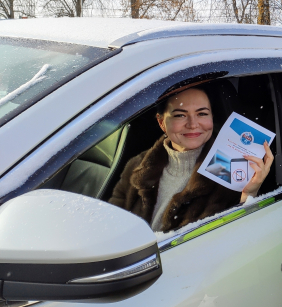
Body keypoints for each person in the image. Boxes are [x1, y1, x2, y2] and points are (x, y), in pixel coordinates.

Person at [110, 84, 273, 232]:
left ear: (212, 118)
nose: (193, 124)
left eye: (202, 114)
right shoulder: (137, 166)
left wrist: (248, 195)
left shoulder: (233, 168)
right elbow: (111, 225)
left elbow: (239, 239)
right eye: (180, 115)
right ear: (161, 123)